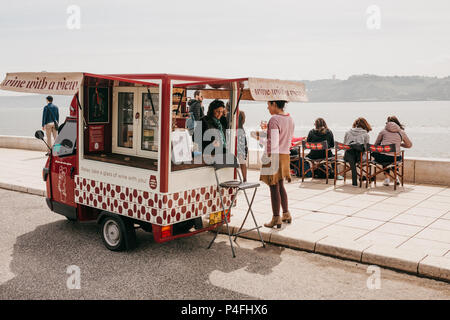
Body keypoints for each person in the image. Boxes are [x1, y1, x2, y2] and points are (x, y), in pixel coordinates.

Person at [260, 100, 295, 228]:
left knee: (273, 186)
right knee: (281, 185)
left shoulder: (274, 119)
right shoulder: (289, 118)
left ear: (274, 104)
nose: (267, 107)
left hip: (274, 155)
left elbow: (273, 142)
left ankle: (276, 218)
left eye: (268, 104)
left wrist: (262, 137)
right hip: (285, 155)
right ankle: (286, 213)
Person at [372, 116, 412, 186]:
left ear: (387, 123)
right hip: (396, 158)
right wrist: (400, 145)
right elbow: (409, 145)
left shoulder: (383, 131)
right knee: (393, 158)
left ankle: (387, 179)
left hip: (384, 157)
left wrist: (384, 147)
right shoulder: (401, 132)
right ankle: (396, 178)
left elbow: (376, 145)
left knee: (384, 157)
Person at [343, 117, 372, 187]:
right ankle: (365, 175)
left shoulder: (347, 132)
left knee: (355, 157)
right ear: (365, 125)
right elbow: (366, 148)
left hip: (347, 157)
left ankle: (360, 176)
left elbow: (344, 145)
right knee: (370, 157)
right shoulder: (366, 135)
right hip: (359, 158)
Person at [236, 111, 248, 182]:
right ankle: (245, 179)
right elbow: (243, 121)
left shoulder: (230, 114)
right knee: (242, 160)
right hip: (242, 134)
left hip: (235, 134)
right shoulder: (242, 113)